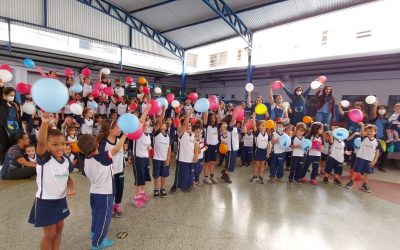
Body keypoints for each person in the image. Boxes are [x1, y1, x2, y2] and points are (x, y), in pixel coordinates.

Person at [28, 113, 75, 250]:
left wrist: (71, 187)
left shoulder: (66, 160)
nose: (60, 147)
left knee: (59, 230)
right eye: (54, 144)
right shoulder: (45, 158)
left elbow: (68, 177)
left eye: (63, 143)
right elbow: (41, 143)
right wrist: (44, 123)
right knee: (50, 233)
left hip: (60, 200)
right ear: (47, 146)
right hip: (45, 202)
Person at [78, 132, 126, 250]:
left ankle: (94, 232)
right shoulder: (103, 157)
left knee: (96, 214)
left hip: (94, 192)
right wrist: (125, 135)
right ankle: (98, 242)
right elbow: (116, 148)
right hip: (104, 194)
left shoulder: (86, 160)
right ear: (97, 145)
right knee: (104, 218)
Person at [97, 119, 125, 217]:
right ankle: (110, 208)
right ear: (110, 130)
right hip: (109, 172)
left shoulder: (119, 140)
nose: (120, 129)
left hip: (120, 170)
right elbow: (101, 158)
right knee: (111, 191)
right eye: (117, 127)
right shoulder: (104, 142)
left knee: (120, 189)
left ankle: (117, 205)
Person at [346, 123, 379, 193]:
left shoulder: (377, 142)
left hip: (370, 160)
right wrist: (362, 126)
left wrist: (374, 160)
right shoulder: (364, 138)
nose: (369, 132)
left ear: (375, 132)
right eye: (367, 131)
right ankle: (351, 181)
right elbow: (362, 133)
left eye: (371, 131)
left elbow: (377, 152)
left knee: (367, 172)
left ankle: (365, 184)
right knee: (356, 170)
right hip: (361, 157)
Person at [171, 109, 198, 193]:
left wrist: (196, 155)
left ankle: (186, 186)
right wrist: (189, 113)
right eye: (187, 125)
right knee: (179, 174)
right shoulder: (182, 134)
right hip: (182, 159)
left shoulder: (192, 135)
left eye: (190, 126)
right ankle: (175, 186)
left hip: (190, 159)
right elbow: (185, 123)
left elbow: (195, 145)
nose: (188, 127)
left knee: (188, 174)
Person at [131, 105, 152, 207]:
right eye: (143, 124)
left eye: (146, 124)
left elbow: (148, 147)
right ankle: (136, 197)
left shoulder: (148, 135)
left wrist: (150, 149)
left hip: (145, 158)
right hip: (137, 158)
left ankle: (142, 193)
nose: (144, 125)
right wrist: (147, 110)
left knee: (144, 178)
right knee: (138, 179)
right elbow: (140, 122)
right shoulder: (137, 133)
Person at [152, 107, 171, 198]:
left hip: (165, 159)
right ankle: (156, 188)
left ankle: (162, 188)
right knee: (156, 175)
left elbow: (169, 149)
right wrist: (163, 111)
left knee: (164, 174)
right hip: (157, 158)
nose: (163, 125)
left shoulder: (167, 136)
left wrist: (168, 159)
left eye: (164, 124)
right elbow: (159, 122)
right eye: (161, 124)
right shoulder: (157, 133)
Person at [0, 86, 22, 164]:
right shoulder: (2, 103)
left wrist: (21, 128)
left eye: (13, 95)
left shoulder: (15, 104)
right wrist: (1, 86)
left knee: (15, 147)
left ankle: (14, 163)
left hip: (15, 128)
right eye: (10, 95)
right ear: (4, 95)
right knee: (4, 147)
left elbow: (18, 117)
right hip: (4, 128)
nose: (12, 97)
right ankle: (3, 164)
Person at [220, 108, 242, 184]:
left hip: (235, 149)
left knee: (230, 164)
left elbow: (243, 131)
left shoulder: (235, 128)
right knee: (230, 165)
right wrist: (236, 112)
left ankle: (224, 172)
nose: (235, 120)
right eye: (234, 119)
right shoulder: (229, 128)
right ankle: (225, 175)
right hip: (231, 149)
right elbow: (232, 121)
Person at [370, 102, 389, 172]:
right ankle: (370, 164)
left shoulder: (387, 119)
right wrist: (375, 105)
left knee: (385, 152)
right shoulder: (375, 118)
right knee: (374, 151)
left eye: (383, 109)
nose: (382, 110)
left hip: (385, 138)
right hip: (376, 138)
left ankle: (381, 166)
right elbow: (373, 114)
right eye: (380, 109)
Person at [249, 118, 269, 184]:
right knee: (256, 165)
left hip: (264, 151)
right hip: (258, 151)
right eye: (262, 125)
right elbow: (254, 125)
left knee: (262, 165)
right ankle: (255, 175)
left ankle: (261, 176)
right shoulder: (257, 133)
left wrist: (268, 152)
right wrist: (254, 118)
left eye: (265, 125)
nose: (264, 126)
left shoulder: (267, 134)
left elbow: (268, 144)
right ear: (258, 127)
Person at [202, 112, 220, 184]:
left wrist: (218, 107)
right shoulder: (206, 126)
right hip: (208, 147)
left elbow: (219, 116)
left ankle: (212, 176)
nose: (213, 119)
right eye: (211, 118)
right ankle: (206, 177)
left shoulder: (216, 126)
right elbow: (205, 116)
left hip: (215, 146)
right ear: (209, 119)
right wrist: (207, 107)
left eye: (214, 118)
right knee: (207, 162)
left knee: (213, 162)